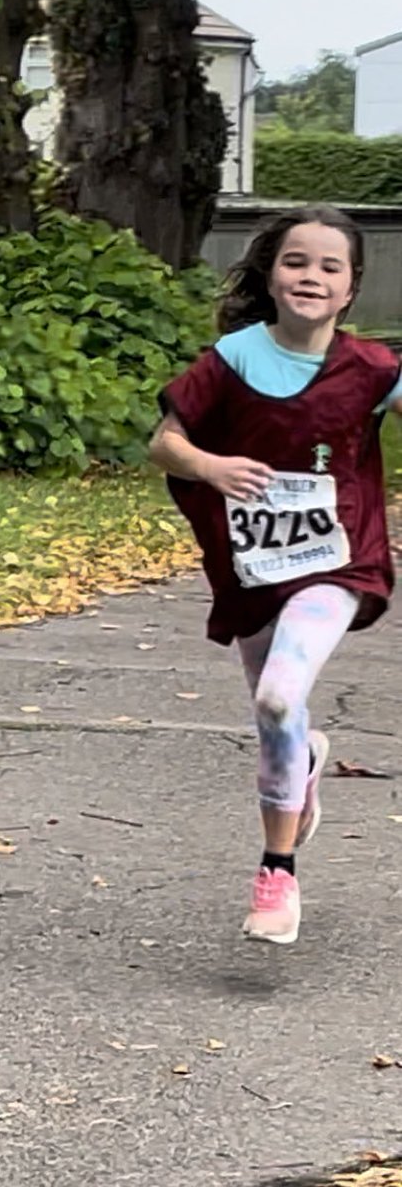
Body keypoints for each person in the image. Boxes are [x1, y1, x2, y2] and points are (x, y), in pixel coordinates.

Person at [149, 204, 402, 945]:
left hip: (337, 564)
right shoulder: (231, 360)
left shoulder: (374, 368)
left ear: (352, 287)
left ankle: (277, 873)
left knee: (281, 693)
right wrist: (211, 466)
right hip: (252, 569)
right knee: (276, 721)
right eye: (297, 262)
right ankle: (307, 762)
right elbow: (165, 443)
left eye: (331, 267)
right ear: (271, 273)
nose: (312, 277)